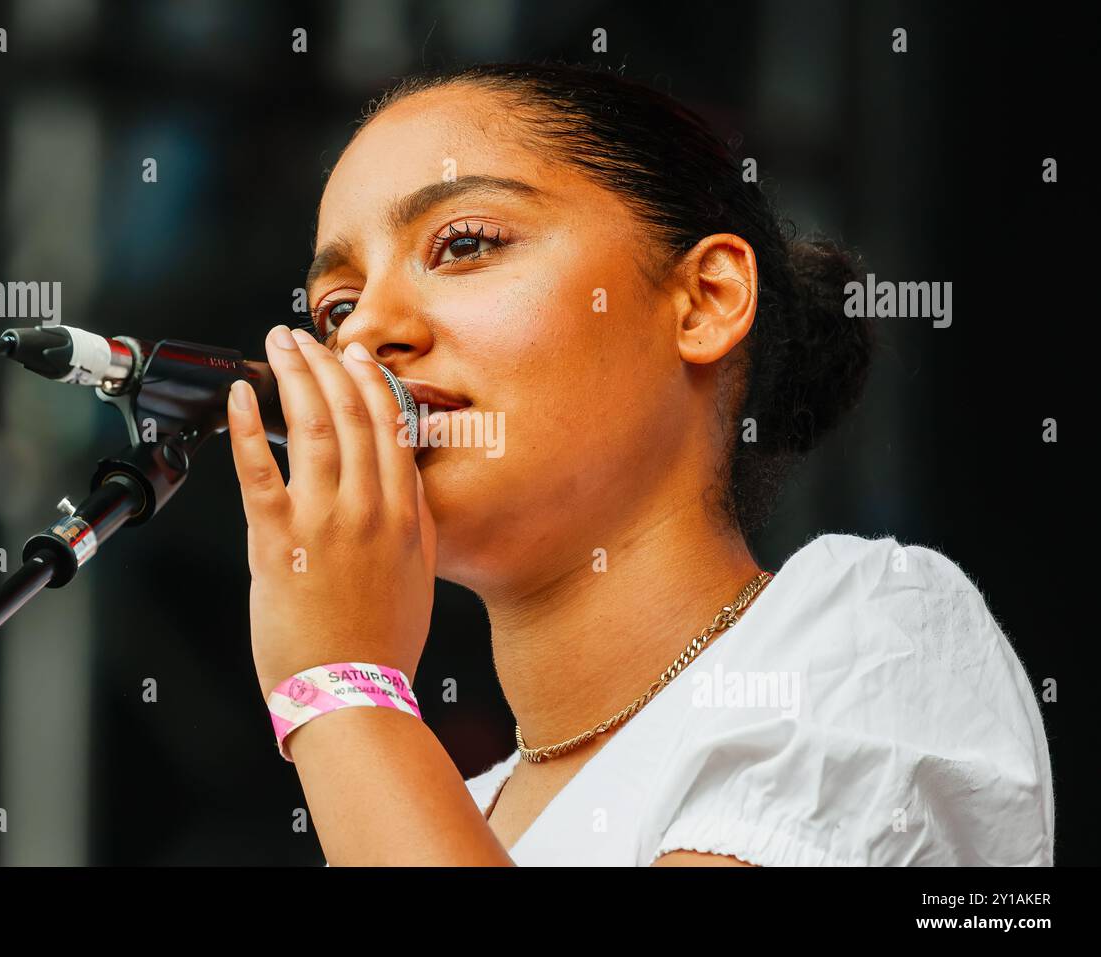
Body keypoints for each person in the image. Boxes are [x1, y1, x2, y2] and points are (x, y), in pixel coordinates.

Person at [225, 62, 1053, 866]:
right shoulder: (449, 809)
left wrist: (342, 691)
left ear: (706, 301)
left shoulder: (878, 633)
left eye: (466, 243)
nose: (365, 333)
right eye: (337, 306)